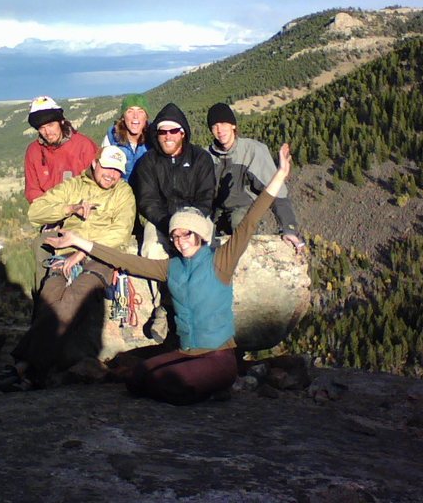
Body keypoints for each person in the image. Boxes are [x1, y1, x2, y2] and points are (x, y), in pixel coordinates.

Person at [45, 143, 295, 405]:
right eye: (175, 236)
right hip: (186, 354)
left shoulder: (221, 260)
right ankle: (201, 387)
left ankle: (214, 385)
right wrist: (78, 241)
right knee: (136, 377)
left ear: (199, 235)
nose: (180, 240)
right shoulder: (170, 267)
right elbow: (126, 260)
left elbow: (249, 222)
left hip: (218, 356)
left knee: (172, 383)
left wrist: (279, 174)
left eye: (187, 234)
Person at [0, 146, 136, 391]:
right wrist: (71, 208)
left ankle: (24, 367)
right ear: (95, 164)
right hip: (65, 254)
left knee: (76, 296)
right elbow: (35, 211)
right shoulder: (74, 187)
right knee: (50, 295)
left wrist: (83, 249)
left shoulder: (123, 193)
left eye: (117, 171)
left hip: (100, 256)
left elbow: (120, 232)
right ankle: (34, 373)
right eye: (108, 167)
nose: (111, 175)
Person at [207, 102, 304, 252]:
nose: (220, 130)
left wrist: (288, 228)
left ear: (233, 125)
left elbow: (276, 191)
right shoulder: (206, 157)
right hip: (215, 211)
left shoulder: (253, 151)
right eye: (214, 126)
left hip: (243, 209)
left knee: (238, 222)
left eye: (224, 123)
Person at [131, 102, 216, 260]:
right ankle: (164, 284)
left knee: (205, 249)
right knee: (151, 251)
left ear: (182, 133)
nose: (168, 136)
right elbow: (147, 200)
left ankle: (201, 283)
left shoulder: (200, 158)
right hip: (160, 221)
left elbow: (206, 196)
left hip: (196, 218)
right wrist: (170, 224)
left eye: (174, 130)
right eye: (163, 132)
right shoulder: (147, 162)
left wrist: (188, 224)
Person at [24, 95, 98, 203]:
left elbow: (95, 183)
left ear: (61, 122)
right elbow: (32, 189)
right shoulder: (33, 151)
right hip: (49, 210)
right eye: (42, 128)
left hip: (80, 208)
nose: (47, 132)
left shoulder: (83, 145)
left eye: (51, 125)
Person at [102, 93, 150, 182]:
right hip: (120, 192)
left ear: (146, 117)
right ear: (123, 117)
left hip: (147, 192)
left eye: (140, 111)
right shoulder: (112, 138)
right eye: (130, 111)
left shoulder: (154, 139)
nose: (135, 116)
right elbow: (102, 170)